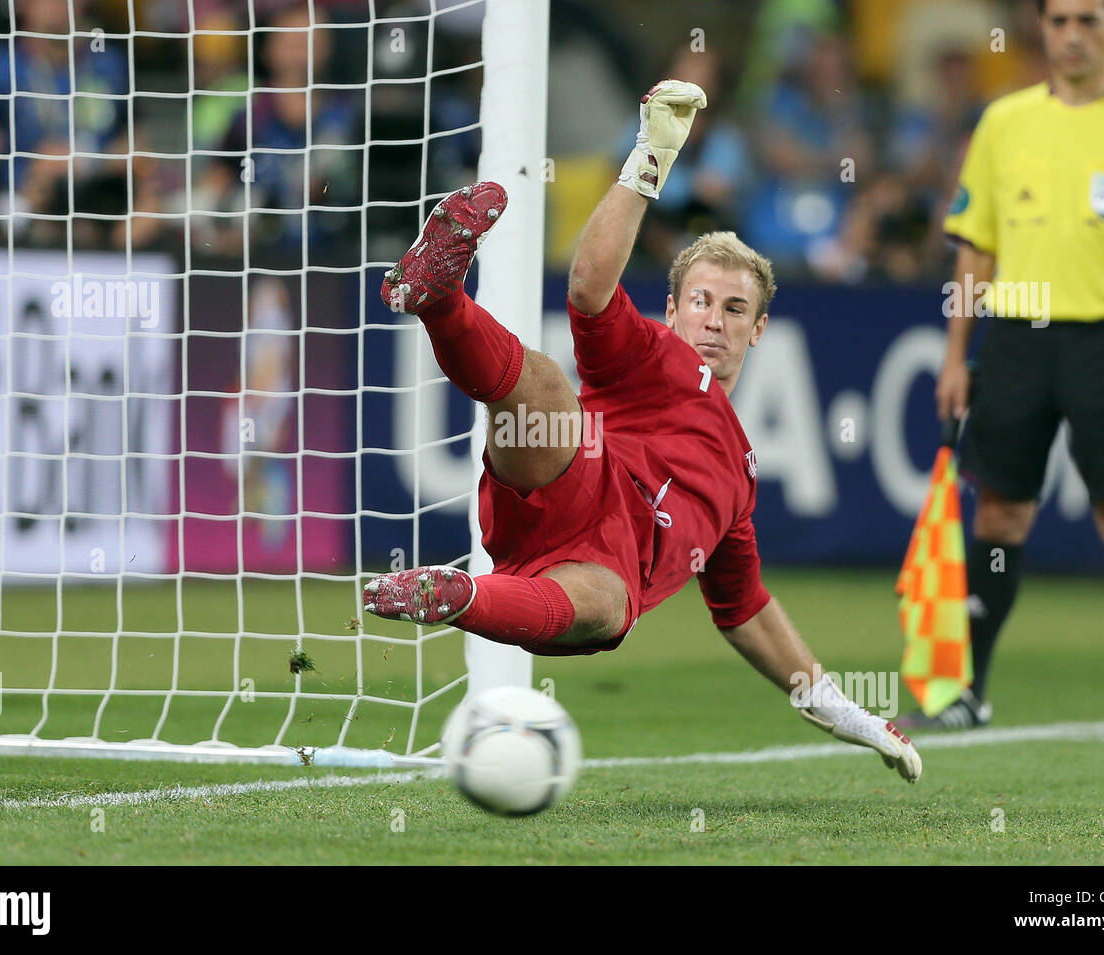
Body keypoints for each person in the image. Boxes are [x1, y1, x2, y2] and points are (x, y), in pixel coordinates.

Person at [363, 80, 923, 782]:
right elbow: (590, 288)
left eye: (734, 307)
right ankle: (439, 299)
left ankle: (452, 594)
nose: (714, 320)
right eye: (700, 302)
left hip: (596, 575)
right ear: (673, 310)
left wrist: (844, 709)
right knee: (542, 387)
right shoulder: (653, 354)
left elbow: (744, 608)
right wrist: (650, 155)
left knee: (609, 604)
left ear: (760, 327)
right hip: (573, 478)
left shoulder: (739, 481)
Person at [904, 0, 1104, 735]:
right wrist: (954, 356)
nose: (1071, 34)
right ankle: (967, 689)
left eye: (1089, 20)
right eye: (1060, 19)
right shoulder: (1004, 122)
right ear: (1042, 27)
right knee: (1002, 512)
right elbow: (974, 248)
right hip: (1015, 343)